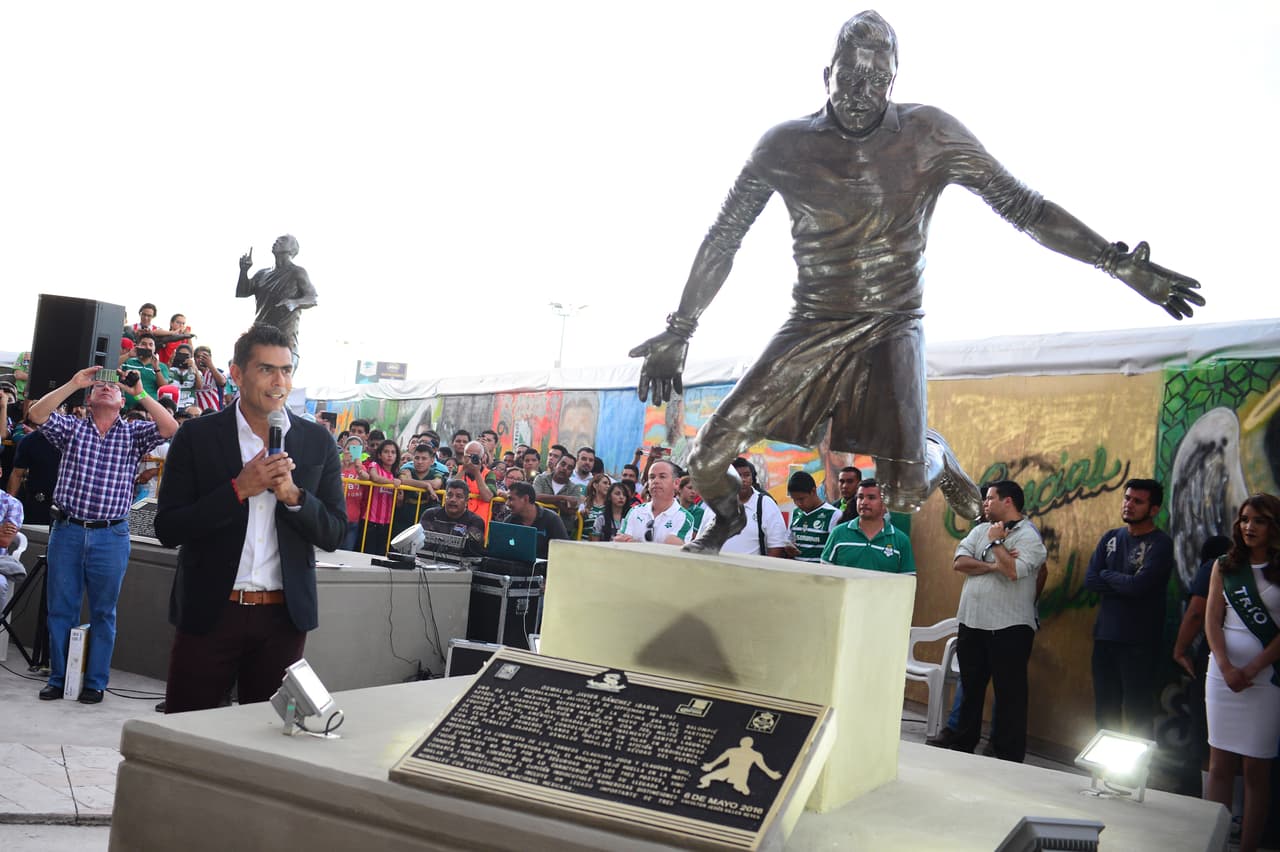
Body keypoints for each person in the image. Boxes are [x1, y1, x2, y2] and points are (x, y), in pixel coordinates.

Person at [629, 10, 1203, 554]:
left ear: (894, 80)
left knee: (903, 494)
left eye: (877, 79)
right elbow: (724, 237)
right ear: (826, 74)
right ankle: (729, 518)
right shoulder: (783, 146)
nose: (862, 92)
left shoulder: (929, 134)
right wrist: (680, 329)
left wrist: (1113, 261)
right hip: (812, 322)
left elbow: (1024, 207)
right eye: (850, 77)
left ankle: (937, 455)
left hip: (892, 323)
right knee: (704, 460)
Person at [154, 324, 346, 713]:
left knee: (268, 737)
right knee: (188, 731)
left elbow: (334, 532)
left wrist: (294, 497)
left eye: (286, 370)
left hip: (283, 619)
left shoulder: (317, 442)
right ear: (237, 374)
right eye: (266, 369)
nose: (279, 382)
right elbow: (169, 528)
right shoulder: (197, 437)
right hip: (210, 612)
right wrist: (238, 490)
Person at [29, 366, 178, 703]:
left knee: (103, 612)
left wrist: (140, 392)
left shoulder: (134, 433)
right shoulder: (71, 428)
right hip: (67, 530)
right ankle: (59, 678)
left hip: (110, 536)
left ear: (122, 402)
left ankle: (95, 682)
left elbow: (170, 428)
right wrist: (74, 382)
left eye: (114, 389)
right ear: (89, 400)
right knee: (60, 609)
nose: (107, 388)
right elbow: (37, 414)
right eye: (99, 387)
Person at [949, 480, 1046, 761]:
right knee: (971, 688)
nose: (985, 503)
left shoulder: (1029, 536)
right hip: (972, 622)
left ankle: (1006, 754)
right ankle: (963, 744)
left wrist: (995, 543)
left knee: (1009, 694)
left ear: (1008, 501)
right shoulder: (980, 529)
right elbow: (959, 562)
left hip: (1009, 628)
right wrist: (994, 564)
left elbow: (1013, 571)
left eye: (990, 498)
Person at [1204, 495, 1280, 852]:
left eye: (1259, 520)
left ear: (1274, 527)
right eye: (1245, 519)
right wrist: (1225, 666)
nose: (1249, 527)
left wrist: (1251, 668)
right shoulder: (1225, 565)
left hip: (1266, 679)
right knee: (1219, 765)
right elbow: (1211, 619)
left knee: (1256, 769)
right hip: (1222, 675)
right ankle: (1214, 843)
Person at [1083, 478, 1174, 738]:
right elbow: (1090, 580)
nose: (1129, 505)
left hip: (1139, 643)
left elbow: (1138, 586)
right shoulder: (1111, 538)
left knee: (1138, 713)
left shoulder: (1160, 544)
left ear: (1154, 509)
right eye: (1127, 498)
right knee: (1105, 711)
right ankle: (1103, 764)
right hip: (1105, 638)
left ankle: (1139, 766)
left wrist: (1108, 575)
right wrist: (1124, 582)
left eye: (1138, 501)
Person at [1171, 534, 1232, 793]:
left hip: (1216, 659)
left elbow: (1197, 611)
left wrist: (1180, 649)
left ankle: (1209, 805)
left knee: (1208, 737)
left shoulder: (1218, 566)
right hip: (1256, 666)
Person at [236, 236, 318, 353]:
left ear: (292, 249)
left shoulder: (297, 272)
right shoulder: (262, 274)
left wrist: (294, 303)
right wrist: (244, 270)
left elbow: (313, 298)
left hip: (284, 342)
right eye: (277, 240)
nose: (277, 241)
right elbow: (242, 292)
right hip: (259, 337)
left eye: (283, 240)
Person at [695, 458, 788, 556]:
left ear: (752, 478)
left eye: (747, 475)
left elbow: (776, 547)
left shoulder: (765, 504)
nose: (743, 480)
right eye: (737, 475)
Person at [819, 478, 913, 573]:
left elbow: (908, 578)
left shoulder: (901, 540)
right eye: (860, 497)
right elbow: (825, 574)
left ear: (885, 504)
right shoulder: (838, 533)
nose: (864, 502)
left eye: (871, 498)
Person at [614, 460, 695, 545]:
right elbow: (620, 543)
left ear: (676, 483)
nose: (655, 481)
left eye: (662, 477)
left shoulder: (684, 517)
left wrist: (635, 543)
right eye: (652, 477)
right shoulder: (635, 511)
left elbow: (670, 548)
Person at [419, 479, 486, 559]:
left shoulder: (475, 521)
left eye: (458, 496)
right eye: (449, 495)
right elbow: (420, 542)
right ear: (445, 497)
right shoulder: (430, 515)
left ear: (466, 501)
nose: (453, 500)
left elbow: (472, 551)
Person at [503, 482, 568, 560]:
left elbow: (564, 551)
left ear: (526, 499)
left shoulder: (552, 519)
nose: (507, 503)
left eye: (511, 499)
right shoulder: (510, 520)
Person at [786, 470, 840, 562]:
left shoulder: (833, 514)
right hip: (797, 569)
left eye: (801, 499)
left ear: (813, 491)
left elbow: (837, 549)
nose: (798, 503)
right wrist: (788, 548)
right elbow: (789, 541)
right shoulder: (795, 513)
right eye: (794, 499)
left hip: (820, 570)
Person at [361, 439, 402, 555]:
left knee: (381, 555)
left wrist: (399, 497)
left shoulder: (395, 474)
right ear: (379, 455)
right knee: (366, 555)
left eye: (393, 452)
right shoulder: (375, 466)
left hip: (387, 523)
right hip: (370, 521)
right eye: (386, 452)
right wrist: (392, 482)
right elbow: (375, 478)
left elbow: (398, 503)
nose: (390, 455)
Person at [532, 454, 587, 537]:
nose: (565, 468)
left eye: (569, 468)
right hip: (538, 525)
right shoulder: (541, 479)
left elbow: (571, 511)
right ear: (556, 465)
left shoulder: (575, 488)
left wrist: (553, 502)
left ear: (571, 473)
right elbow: (535, 496)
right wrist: (562, 498)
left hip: (562, 529)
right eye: (563, 464)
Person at [121, 332, 172, 408]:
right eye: (143, 344)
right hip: (126, 407)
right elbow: (112, 368)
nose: (147, 347)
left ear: (154, 348)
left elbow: (163, 388)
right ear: (137, 346)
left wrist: (156, 368)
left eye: (151, 345)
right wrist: (128, 355)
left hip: (149, 409)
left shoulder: (162, 366)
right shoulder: (128, 362)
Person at [339, 435, 369, 551]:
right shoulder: (337, 464)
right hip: (335, 517)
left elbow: (366, 477)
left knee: (346, 552)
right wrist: (342, 464)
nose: (350, 452)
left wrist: (358, 467)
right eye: (348, 448)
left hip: (352, 519)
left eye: (355, 450)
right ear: (343, 449)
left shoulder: (361, 468)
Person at [581, 472, 612, 539]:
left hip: (601, 543)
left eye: (609, 484)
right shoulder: (584, 503)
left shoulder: (611, 506)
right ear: (595, 485)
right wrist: (581, 516)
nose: (608, 486)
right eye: (605, 483)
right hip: (583, 541)